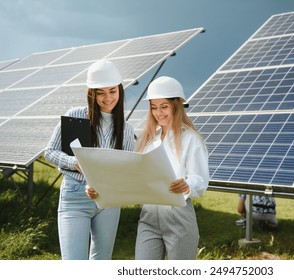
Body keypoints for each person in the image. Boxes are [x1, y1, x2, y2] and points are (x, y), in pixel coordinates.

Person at [44, 59, 135, 260]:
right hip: (75, 197)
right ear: (91, 93)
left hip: (108, 201)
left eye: (112, 91)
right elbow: (49, 151)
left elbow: (126, 169)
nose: (107, 98)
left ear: (120, 90)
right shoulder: (76, 116)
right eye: (100, 92)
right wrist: (74, 163)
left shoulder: (126, 129)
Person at [134, 76, 209, 260]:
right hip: (148, 216)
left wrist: (186, 185)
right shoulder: (150, 140)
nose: (158, 113)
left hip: (178, 216)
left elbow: (200, 180)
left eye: (164, 106)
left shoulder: (191, 139)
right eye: (154, 107)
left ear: (176, 106)